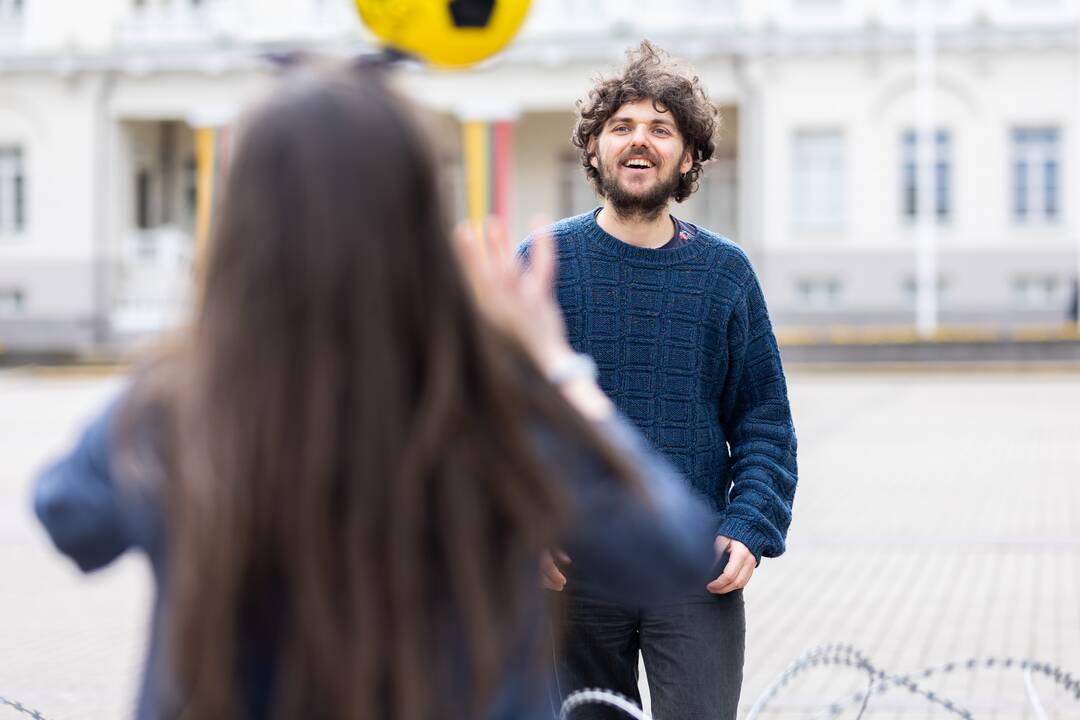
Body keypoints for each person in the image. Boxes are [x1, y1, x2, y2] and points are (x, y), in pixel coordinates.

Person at [33, 61, 717, 720]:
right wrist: (556, 370)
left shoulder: (183, 400)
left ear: (244, 222)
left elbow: (69, 516)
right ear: (419, 216)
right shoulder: (490, 400)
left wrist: (198, 350)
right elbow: (670, 550)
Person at [519, 41, 799, 720]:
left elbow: (764, 422)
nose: (638, 140)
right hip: (573, 576)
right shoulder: (544, 263)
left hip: (694, 570)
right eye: (620, 126)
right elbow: (495, 418)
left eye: (660, 128)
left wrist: (750, 523)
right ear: (593, 150)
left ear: (690, 157)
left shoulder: (725, 274)